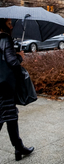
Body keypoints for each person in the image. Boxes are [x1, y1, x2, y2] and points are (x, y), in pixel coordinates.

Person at [0, 18, 34, 161]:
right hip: (5, 87)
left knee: (11, 117)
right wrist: (19, 57)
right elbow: (12, 63)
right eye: (9, 23)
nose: (12, 25)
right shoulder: (5, 39)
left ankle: (19, 148)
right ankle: (19, 148)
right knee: (5, 116)